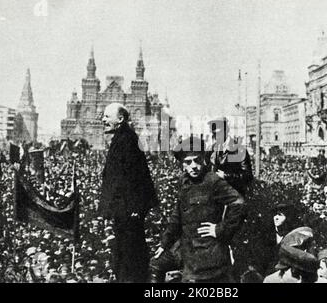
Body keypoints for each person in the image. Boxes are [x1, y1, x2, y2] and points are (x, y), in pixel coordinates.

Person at [154, 136, 245, 282]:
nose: (193, 166)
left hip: (210, 255)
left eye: (197, 160)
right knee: (156, 266)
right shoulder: (184, 182)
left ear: (203, 158)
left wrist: (221, 229)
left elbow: (238, 203)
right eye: (188, 162)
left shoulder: (213, 181)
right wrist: (165, 242)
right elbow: (177, 215)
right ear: (183, 165)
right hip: (188, 253)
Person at [100, 103, 158, 283]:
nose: (103, 120)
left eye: (107, 117)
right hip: (124, 209)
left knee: (129, 258)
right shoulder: (123, 137)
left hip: (128, 211)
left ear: (120, 119)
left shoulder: (126, 139)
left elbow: (133, 176)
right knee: (125, 255)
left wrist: (134, 208)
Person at [207, 116, 253, 197]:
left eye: (219, 132)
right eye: (214, 133)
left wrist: (226, 175)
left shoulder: (239, 150)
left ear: (226, 130)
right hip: (215, 195)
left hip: (234, 195)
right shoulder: (212, 149)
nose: (216, 136)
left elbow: (248, 176)